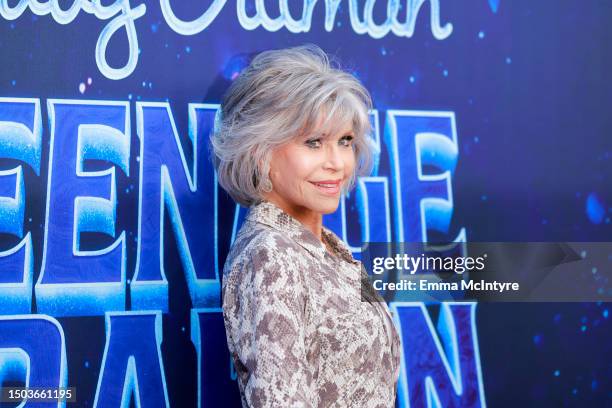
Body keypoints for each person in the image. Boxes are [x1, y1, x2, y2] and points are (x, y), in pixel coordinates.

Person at [210, 44, 400, 407]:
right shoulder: (270, 254)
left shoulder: (329, 247)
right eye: (313, 142)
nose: (337, 162)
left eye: (345, 141)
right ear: (259, 151)